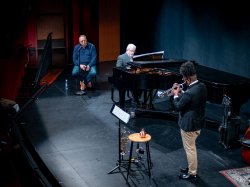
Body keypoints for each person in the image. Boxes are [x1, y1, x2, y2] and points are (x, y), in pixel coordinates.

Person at [171, 61, 207, 180]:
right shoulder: (201, 86)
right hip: (198, 122)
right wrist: (182, 92)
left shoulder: (190, 93)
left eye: (183, 77)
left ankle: (192, 173)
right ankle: (191, 167)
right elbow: (190, 99)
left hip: (189, 126)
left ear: (187, 79)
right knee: (190, 148)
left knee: (190, 149)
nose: (182, 79)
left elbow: (178, 106)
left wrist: (175, 94)